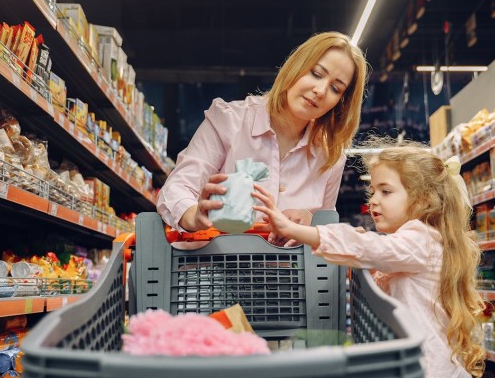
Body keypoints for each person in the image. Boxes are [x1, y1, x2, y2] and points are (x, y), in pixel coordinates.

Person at [252, 137, 486, 378]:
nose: (374, 200)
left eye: (386, 192)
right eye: (372, 191)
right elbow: (377, 251)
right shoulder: (411, 242)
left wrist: (296, 230)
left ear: (423, 200)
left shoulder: (420, 236)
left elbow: (368, 248)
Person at [157, 31, 369, 245]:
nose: (320, 90)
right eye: (316, 73)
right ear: (296, 66)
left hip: (292, 276)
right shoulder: (229, 121)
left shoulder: (330, 154)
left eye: (335, 88)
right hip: (217, 271)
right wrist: (195, 215)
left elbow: (325, 230)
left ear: (341, 102)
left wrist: (312, 223)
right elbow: (176, 189)